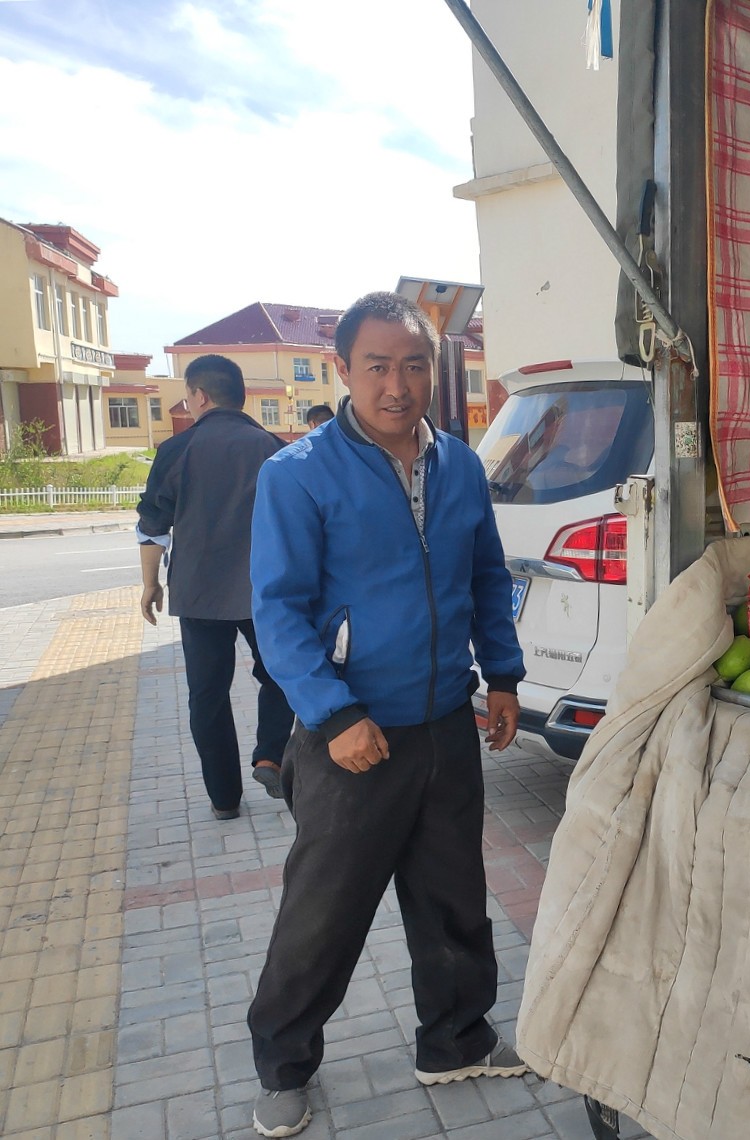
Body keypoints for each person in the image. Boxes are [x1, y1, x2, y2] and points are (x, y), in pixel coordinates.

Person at [245, 292, 527, 1138]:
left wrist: (502, 676)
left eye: (412, 366)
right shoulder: (298, 474)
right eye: (377, 367)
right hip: (352, 735)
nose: (396, 386)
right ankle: (284, 1066)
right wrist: (334, 716)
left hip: (444, 721)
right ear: (343, 369)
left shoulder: (461, 466)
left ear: (432, 370)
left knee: (453, 898)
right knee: (323, 914)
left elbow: (486, 577)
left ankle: (455, 1039)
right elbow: (278, 612)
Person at [137, 354, 295, 821]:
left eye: (187, 396)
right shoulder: (275, 448)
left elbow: (153, 524)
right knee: (282, 675)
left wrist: (150, 584)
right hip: (266, 590)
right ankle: (270, 755)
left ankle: (224, 798)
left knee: (207, 695)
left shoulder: (176, 449)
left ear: (200, 396)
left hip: (198, 592)